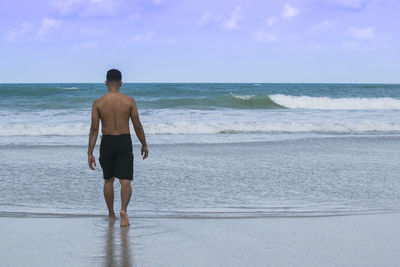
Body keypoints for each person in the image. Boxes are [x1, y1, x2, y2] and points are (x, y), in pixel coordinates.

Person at [87, 69, 148, 227]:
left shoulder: (98, 103)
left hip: (107, 141)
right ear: (121, 83)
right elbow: (137, 125)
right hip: (124, 141)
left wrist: (90, 152)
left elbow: (94, 129)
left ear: (106, 83)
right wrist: (144, 144)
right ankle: (123, 210)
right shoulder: (129, 101)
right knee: (125, 181)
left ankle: (111, 215)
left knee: (108, 180)